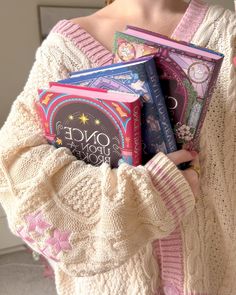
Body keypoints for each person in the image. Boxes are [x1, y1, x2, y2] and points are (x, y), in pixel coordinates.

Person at [0, 0, 235, 294]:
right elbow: (18, 177)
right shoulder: (64, 51)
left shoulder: (228, 33)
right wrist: (145, 196)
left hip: (218, 277)